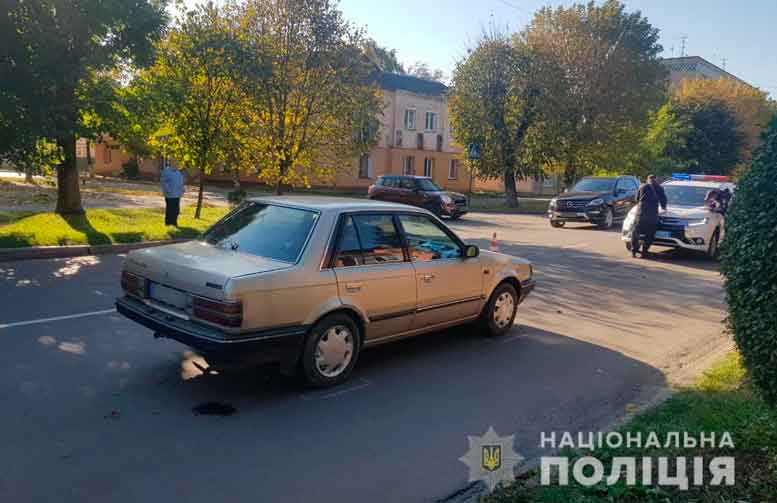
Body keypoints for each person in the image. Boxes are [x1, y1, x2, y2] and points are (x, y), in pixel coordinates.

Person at [631, 174, 667, 258]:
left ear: (647, 179)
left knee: (635, 232)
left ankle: (634, 250)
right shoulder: (659, 188)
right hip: (652, 215)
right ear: (656, 179)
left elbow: (636, 199)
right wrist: (663, 207)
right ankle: (644, 252)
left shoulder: (642, 187)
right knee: (650, 235)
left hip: (640, 214)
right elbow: (663, 200)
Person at [161, 161, 184, 226]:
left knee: (176, 210)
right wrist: (168, 190)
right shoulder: (166, 171)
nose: (177, 165)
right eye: (176, 164)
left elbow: (181, 182)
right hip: (170, 195)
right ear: (171, 164)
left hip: (177, 195)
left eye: (177, 164)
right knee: (170, 209)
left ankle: (174, 222)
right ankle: (168, 223)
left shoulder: (178, 172)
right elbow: (163, 182)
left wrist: (182, 189)